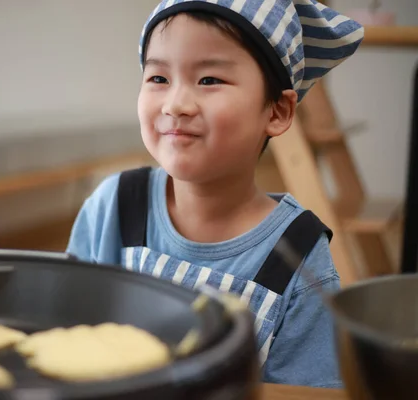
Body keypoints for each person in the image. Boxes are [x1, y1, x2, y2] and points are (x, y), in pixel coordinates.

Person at [67, 0, 364, 389]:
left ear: (276, 111)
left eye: (209, 80)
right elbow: (64, 335)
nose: (176, 104)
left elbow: (304, 395)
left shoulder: (298, 259)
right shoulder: (114, 206)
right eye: (158, 78)